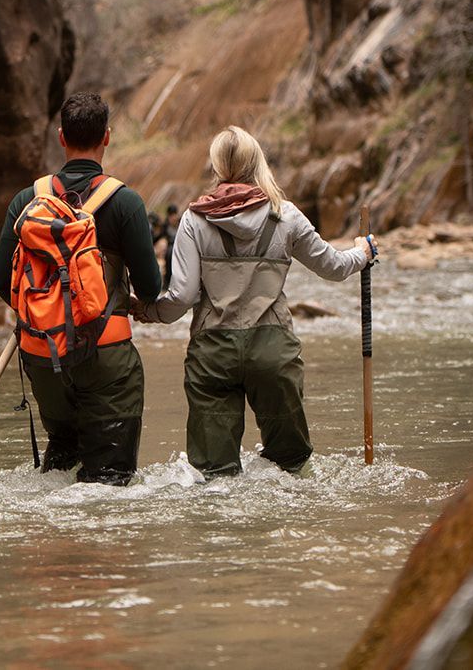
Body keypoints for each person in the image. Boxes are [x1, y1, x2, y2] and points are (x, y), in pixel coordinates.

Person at [136, 126, 373, 478]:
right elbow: (334, 268)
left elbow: (181, 298)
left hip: (212, 354)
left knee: (214, 477)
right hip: (272, 351)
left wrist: (145, 311)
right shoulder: (286, 215)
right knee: (291, 468)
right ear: (256, 162)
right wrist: (363, 252)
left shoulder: (193, 220)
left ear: (216, 166)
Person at [0, 92, 162, 485]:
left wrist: (42, 317)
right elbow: (151, 288)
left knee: (61, 464)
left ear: (61, 137)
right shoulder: (125, 203)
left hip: (45, 357)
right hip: (107, 360)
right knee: (110, 482)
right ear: (107, 137)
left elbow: (2, 280)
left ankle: (59, 547)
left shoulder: (26, 201)